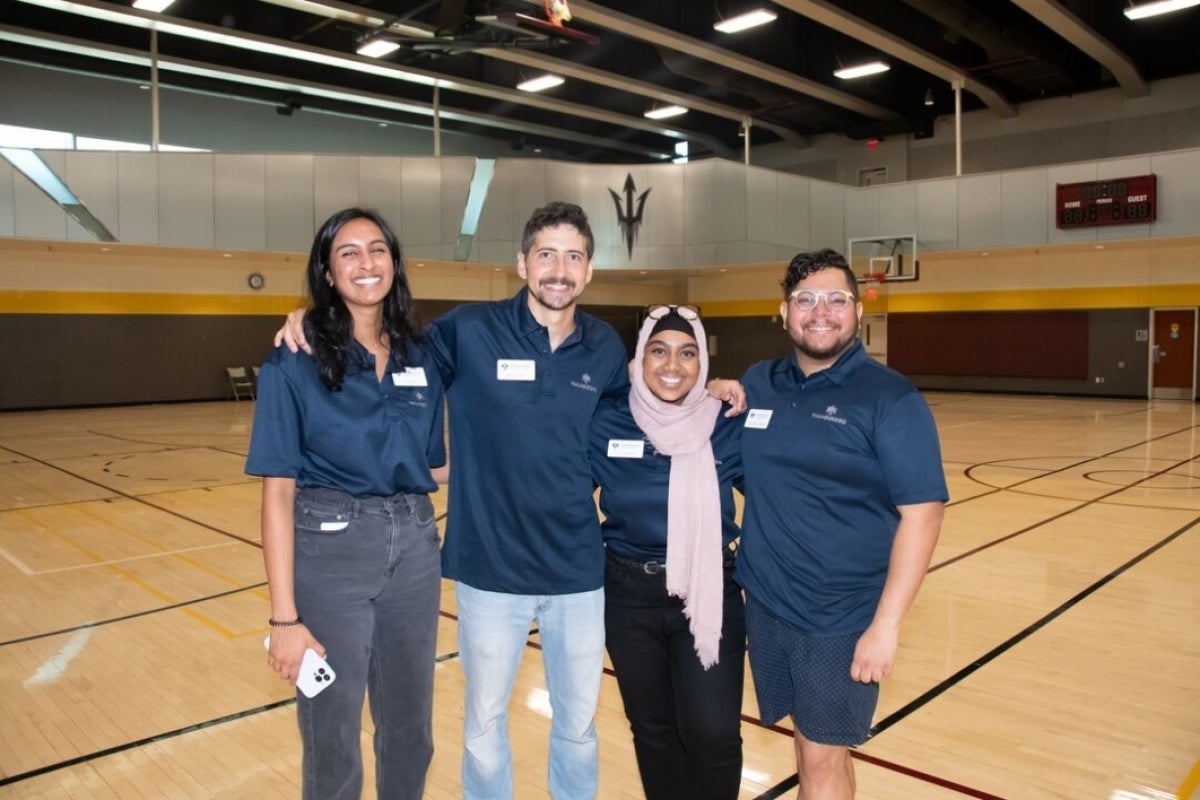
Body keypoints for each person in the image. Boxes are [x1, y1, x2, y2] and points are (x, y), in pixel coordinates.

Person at [278, 201, 630, 800]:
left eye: (573, 256)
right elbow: (384, 343)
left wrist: (718, 388)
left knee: (578, 728)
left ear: (590, 270)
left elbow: (638, 417)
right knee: (484, 725)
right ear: (522, 263)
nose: (559, 269)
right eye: (546, 254)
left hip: (577, 568)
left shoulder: (605, 348)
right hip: (487, 569)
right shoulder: (468, 329)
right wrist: (313, 318)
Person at [246, 208, 446, 800]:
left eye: (377, 249)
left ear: (394, 263)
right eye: (349, 252)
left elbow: (433, 465)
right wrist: (285, 618)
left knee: (411, 731)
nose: (366, 262)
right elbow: (278, 491)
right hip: (329, 548)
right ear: (328, 272)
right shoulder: (295, 357)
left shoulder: (420, 356)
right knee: (333, 736)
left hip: (414, 547)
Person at [736, 249, 948, 800]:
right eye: (805, 300)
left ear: (858, 312)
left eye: (836, 300)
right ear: (784, 313)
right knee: (814, 746)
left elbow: (923, 515)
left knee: (820, 757)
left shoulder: (890, 398)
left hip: (840, 615)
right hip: (767, 602)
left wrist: (886, 626)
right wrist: (716, 391)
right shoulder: (760, 382)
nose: (820, 312)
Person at [589, 304, 745, 800]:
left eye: (687, 353)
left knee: (713, 732)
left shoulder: (726, 421)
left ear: (702, 364)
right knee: (653, 731)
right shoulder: (607, 418)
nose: (672, 365)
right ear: (639, 358)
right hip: (627, 593)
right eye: (658, 351)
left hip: (710, 590)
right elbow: (558, 490)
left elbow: (781, 492)